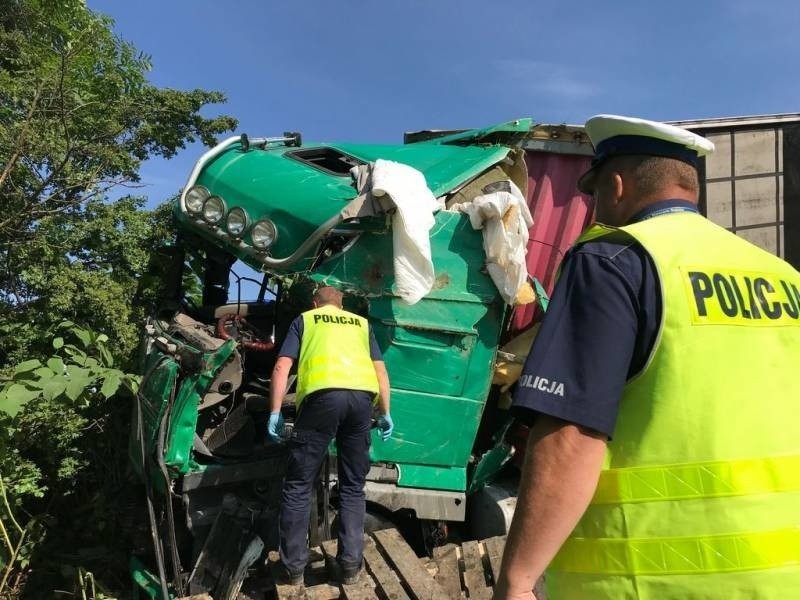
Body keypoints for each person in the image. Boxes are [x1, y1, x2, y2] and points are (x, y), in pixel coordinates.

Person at [494, 115, 800, 599]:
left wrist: (518, 579)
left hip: (652, 579)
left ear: (616, 185)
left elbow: (572, 433)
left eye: (594, 193)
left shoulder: (613, 259)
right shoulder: (782, 276)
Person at [268, 286, 393, 586]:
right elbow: (381, 373)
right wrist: (385, 412)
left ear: (315, 303)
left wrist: (274, 411)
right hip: (362, 403)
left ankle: (294, 570)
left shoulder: (306, 320)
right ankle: (350, 566)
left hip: (322, 400)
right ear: (342, 304)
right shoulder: (362, 325)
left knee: (299, 485)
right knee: (352, 486)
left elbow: (282, 365)